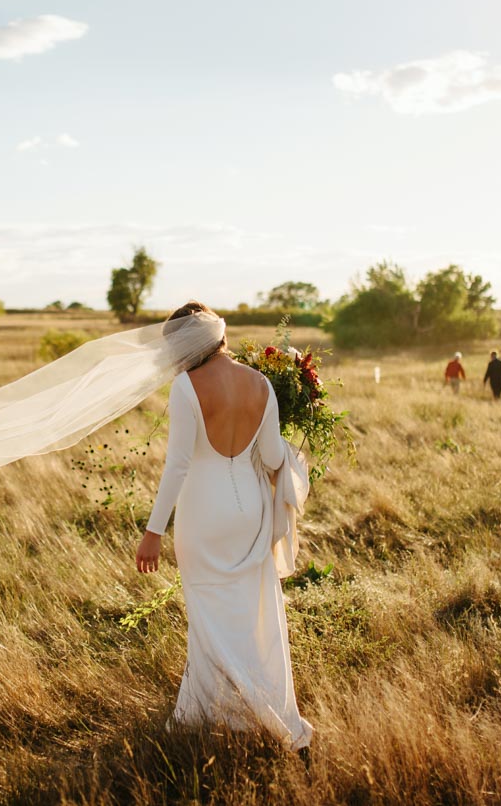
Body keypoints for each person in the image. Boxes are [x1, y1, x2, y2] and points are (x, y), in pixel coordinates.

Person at [136, 302, 313, 754]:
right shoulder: (261, 383)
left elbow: (177, 465)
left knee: (209, 618)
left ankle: (235, 714)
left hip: (203, 514)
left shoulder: (185, 387)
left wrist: (154, 531)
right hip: (249, 510)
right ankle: (225, 709)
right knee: (250, 614)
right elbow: (274, 459)